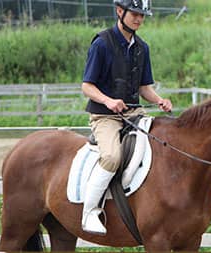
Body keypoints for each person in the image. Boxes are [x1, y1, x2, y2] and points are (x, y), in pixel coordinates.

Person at [81, 0, 172, 235]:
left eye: (142, 15)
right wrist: (109, 101)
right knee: (112, 157)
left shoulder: (143, 47)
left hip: (134, 113)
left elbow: (144, 88)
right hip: (105, 116)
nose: (139, 19)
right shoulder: (102, 43)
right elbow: (87, 86)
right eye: (135, 14)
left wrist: (159, 100)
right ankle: (90, 211)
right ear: (119, 11)